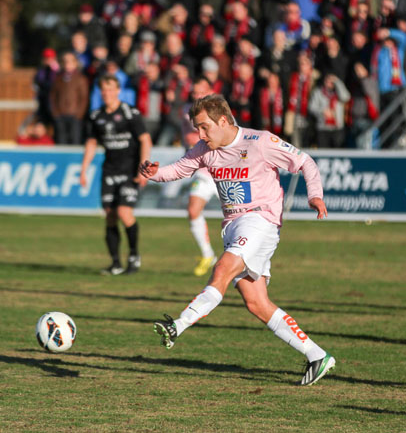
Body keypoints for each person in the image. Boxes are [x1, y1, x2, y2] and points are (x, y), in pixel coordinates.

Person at [140, 94, 335, 386]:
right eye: (197, 128)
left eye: (204, 127)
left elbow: (305, 162)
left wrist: (314, 195)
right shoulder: (206, 148)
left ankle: (177, 325)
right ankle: (317, 356)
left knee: (222, 269)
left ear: (223, 120)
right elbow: (179, 169)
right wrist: (155, 174)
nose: (200, 134)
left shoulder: (260, 142)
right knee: (256, 302)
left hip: (260, 220)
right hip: (233, 226)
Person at [80, 74, 152, 275]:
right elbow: (92, 143)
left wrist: (143, 168)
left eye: (110, 89)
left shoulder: (130, 113)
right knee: (110, 216)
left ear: (118, 91)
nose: (107, 94)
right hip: (109, 171)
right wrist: (84, 169)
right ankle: (115, 263)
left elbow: (145, 140)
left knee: (124, 212)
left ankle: (133, 257)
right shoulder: (96, 116)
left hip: (130, 171)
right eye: (103, 90)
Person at [180, 77, 220, 276]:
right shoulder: (187, 110)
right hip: (203, 172)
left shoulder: (221, 112)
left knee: (238, 215)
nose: (196, 96)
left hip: (223, 172)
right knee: (193, 210)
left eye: (200, 92)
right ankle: (207, 254)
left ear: (210, 91)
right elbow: (186, 136)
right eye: (194, 92)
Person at [50, 52, 89, 145]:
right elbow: (53, 97)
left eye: (71, 62)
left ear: (75, 63)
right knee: (61, 141)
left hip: (75, 116)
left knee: (75, 140)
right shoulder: (58, 78)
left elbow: (84, 98)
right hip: (61, 115)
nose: (68, 65)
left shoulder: (81, 78)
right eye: (66, 62)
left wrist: (79, 114)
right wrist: (56, 114)